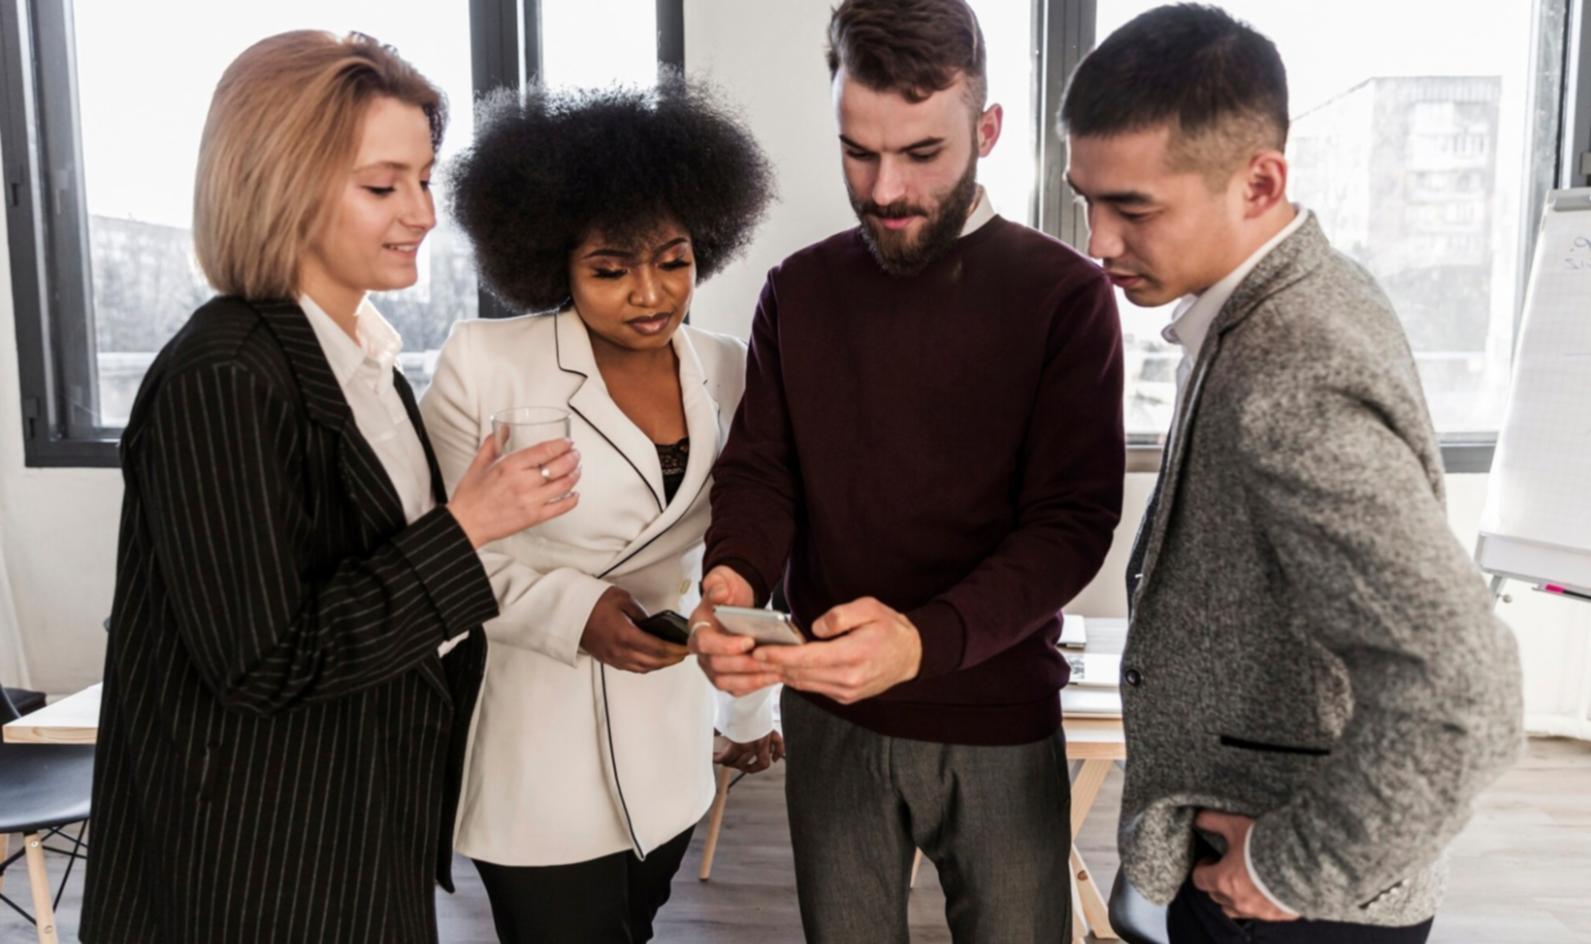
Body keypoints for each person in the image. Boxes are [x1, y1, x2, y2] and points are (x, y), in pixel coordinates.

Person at [79, 31, 580, 944]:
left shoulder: (370, 371)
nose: (425, 213)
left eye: (425, 180)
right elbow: (264, 658)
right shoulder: (224, 376)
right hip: (253, 871)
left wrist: (461, 522)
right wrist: (463, 532)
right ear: (283, 184)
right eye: (383, 185)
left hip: (356, 832)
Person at [1060, 6, 1524, 942]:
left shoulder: (1293, 366)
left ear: (1259, 180)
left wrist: (1291, 867)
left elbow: (1464, 687)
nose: (1097, 241)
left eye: (1133, 208)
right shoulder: (1278, 297)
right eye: (1086, 200)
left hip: (1285, 903)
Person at [687, 1, 1125, 939]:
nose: (884, 189)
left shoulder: (1065, 297)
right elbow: (763, 471)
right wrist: (732, 577)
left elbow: (1070, 524)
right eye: (857, 151)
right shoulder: (798, 291)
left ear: (989, 130)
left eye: (921, 154)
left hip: (998, 720)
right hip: (831, 721)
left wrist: (921, 642)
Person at [419, 75, 780, 944]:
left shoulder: (727, 368)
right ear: (555, 261)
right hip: (533, 739)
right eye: (610, 270)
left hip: (667, 733)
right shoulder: (485, 363)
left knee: (636, 925)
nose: (650, 295)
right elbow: (436, 555)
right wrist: (576, 613)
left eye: (674, 261)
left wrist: (747, 712)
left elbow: (747, 539)